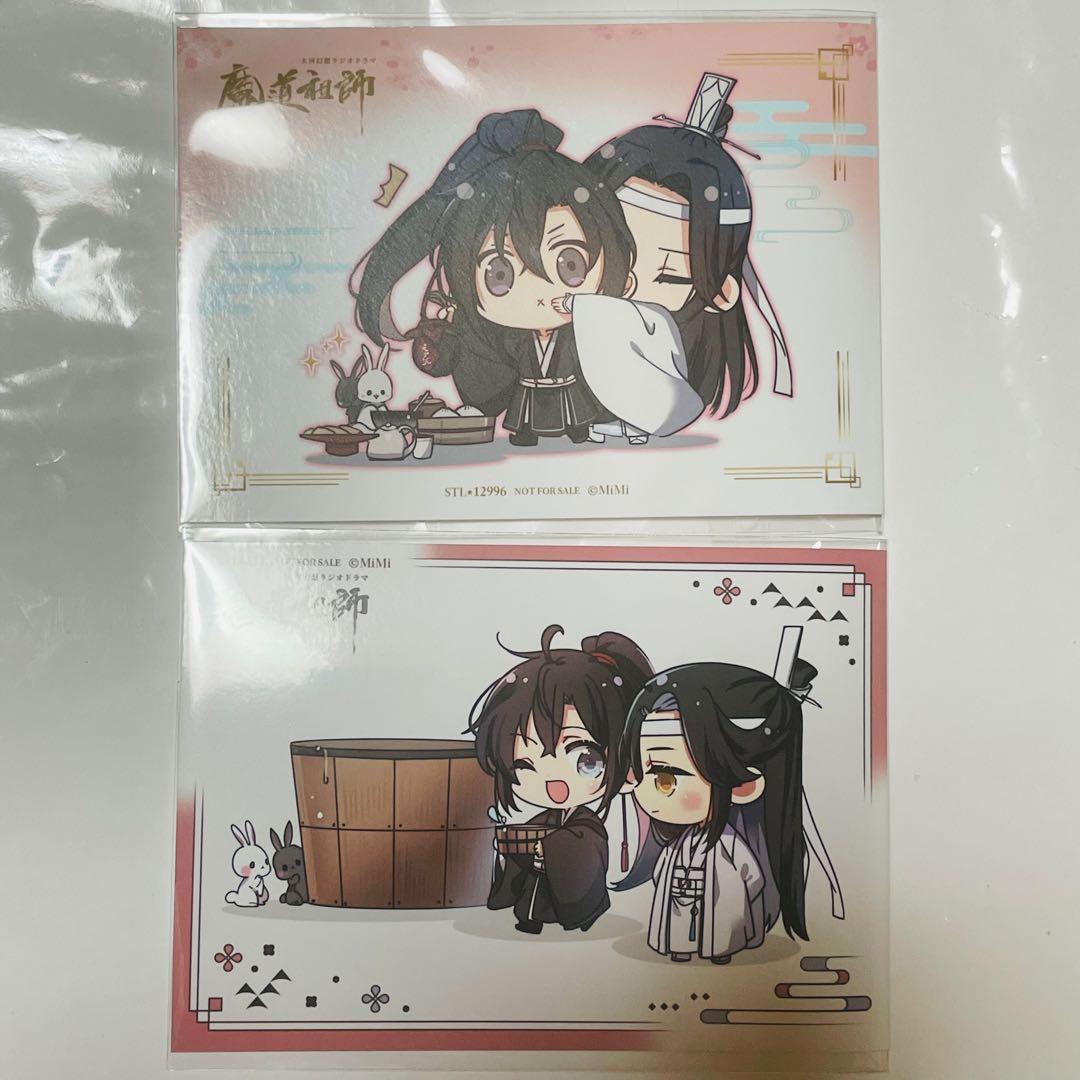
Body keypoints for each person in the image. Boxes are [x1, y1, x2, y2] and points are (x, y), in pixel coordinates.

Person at [467, 624, 652, 933]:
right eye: (524, 764)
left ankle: (573, 917)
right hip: (542, 877)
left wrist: (550, 848)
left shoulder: (587, 825)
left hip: (560, 883)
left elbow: (584, 850)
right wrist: (517, 849)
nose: (554, 782)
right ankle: (529, 918)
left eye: (585, 759)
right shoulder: (545, 819)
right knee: (533, 897)